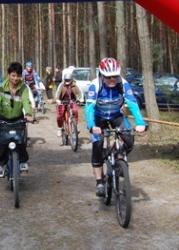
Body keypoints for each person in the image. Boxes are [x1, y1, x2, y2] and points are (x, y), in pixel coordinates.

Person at [85, 57, 146, 197]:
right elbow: (89, 108)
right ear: (102, 75)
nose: (112, 79)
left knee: (129, 139)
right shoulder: (95, 85)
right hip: (98, 117)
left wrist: (140, 123)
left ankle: (118, 159)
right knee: (98, 144)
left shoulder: (123, 84)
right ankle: (99, 182)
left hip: (116, 115)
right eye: (108, 77)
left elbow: (132, 103)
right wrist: (92, 126)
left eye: (115, 76)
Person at [0, 62, 34, 177]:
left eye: (18, 75)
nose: (15, 78)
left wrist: (28, 114)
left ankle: (23, 162)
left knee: (21, 141)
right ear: (8, 75)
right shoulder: (0, 88)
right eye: (13, 75)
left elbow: (26, 102)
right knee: (2, 143)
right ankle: (0, 164)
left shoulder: (23, 88)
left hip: (18, 118)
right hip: (3, 119)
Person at [55, 72, 84, 137]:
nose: (67, 81)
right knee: (60, 115)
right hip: (62, 101)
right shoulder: (61, 85)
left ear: (71, 80)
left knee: (75, 111)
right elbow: (57, 93)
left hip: (72, 101)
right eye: (66, 80)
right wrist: (57, 100)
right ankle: (59, 128)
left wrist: (81, 98)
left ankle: (75, 126)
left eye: (68, 80)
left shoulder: (74, 85)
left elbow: (80, 92)